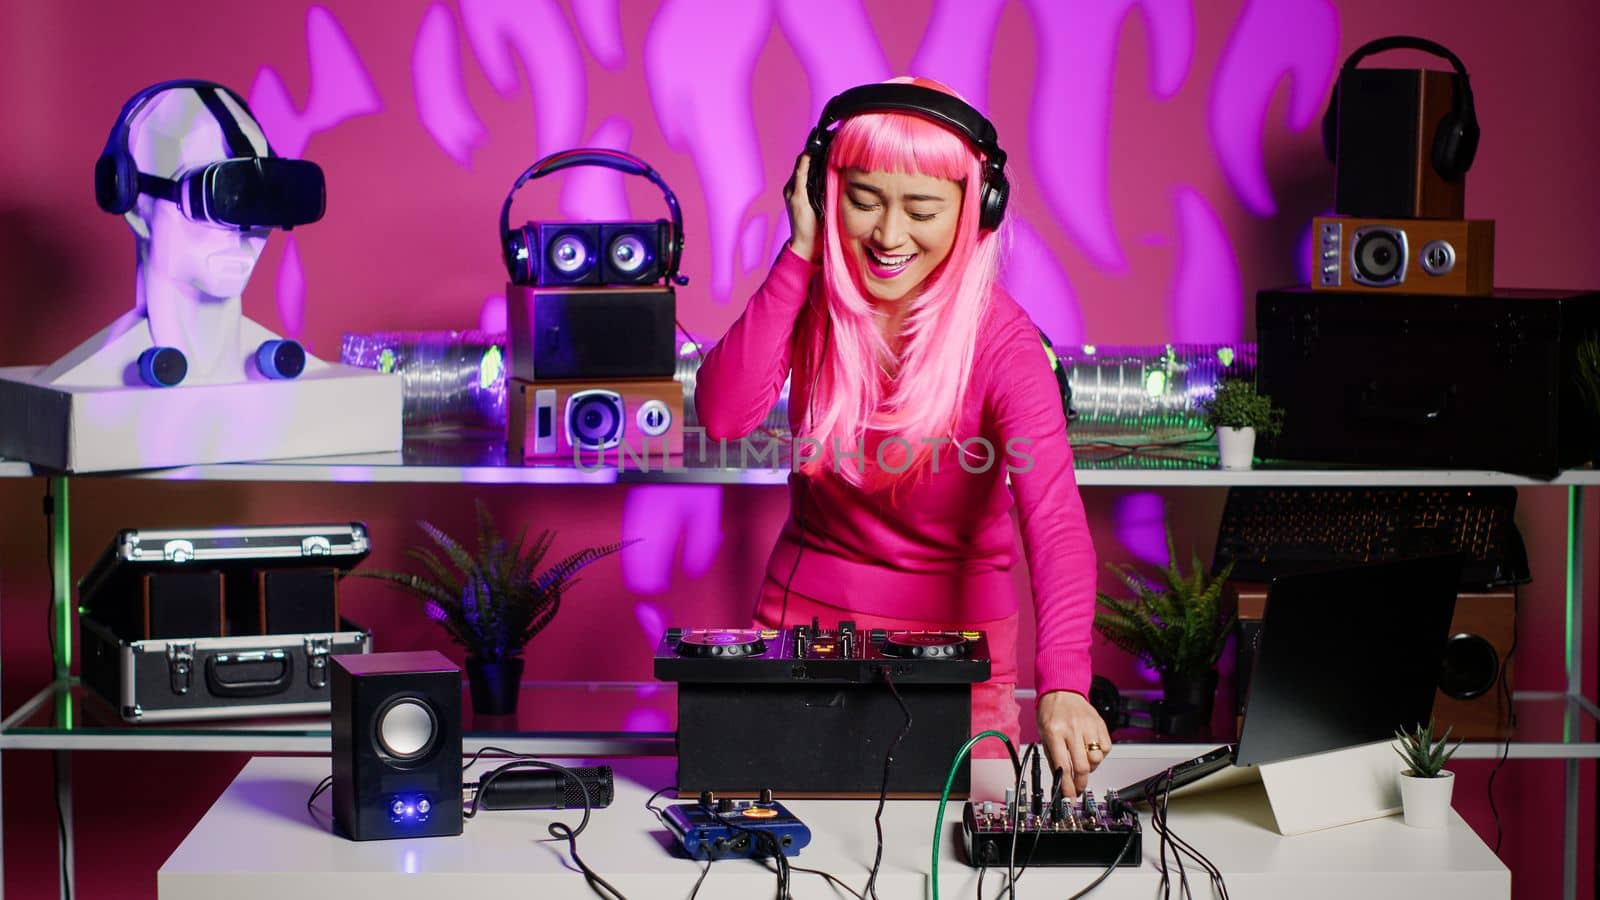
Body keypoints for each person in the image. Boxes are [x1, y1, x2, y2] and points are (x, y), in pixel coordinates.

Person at [694, 77, 1109, 794]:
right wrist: (797, 256)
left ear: (976, 211)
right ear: (822, 194)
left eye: (922, 209)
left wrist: (1065, 681)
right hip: (803, 633)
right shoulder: (813, 301)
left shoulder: (1005, 343)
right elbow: (726, 415)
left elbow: (1056, 519)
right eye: (862, 200)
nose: (889, 235)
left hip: (960, 659)